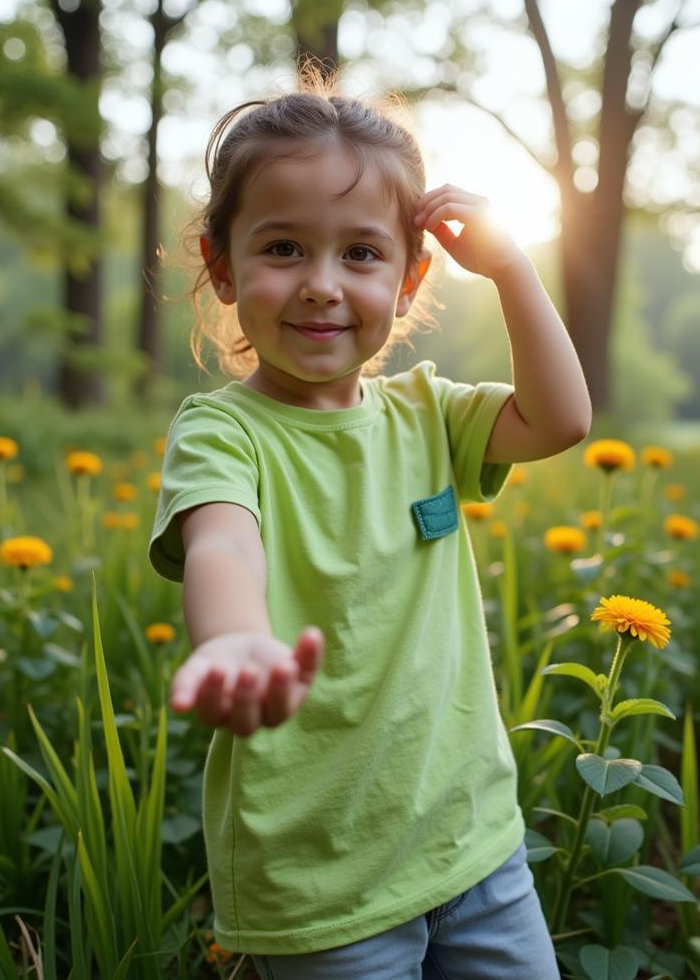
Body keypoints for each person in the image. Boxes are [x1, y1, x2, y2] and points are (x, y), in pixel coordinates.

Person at [148, 77, 591, 980]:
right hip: (321, 878)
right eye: (282, 248)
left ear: (410, 274)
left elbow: (562, 419)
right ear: (223, 266)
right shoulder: (224, 431)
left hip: (475, 842)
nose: (321, 286)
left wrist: (513, 268)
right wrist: (236, 642)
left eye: (360, 253)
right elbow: (223, 541)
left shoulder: (430, 413)